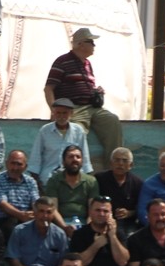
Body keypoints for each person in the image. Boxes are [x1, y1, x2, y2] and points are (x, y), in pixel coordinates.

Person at [44, 28, 122, 165]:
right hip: (74, 108)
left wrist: (96, 91)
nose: (94, 45)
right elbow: (49, 88)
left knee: (112, 121)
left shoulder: (87, 64)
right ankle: (72, 169)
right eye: (91, 42)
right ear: (80, 44)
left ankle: (112, 167)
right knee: (75, 132)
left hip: (92, 107)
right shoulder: (62, 62)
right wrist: (54, 110)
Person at [3, 197, 67, 266]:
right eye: (41, 211)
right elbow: (13, 257)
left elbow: (64, 260)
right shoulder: (20, 230)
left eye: (49, 212)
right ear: (35, 212)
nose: (45, 216)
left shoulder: (60, 234)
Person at [68, 195, 126, 266]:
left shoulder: (118, 233)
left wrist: (112, 236)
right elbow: (79, 263)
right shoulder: (79, 234)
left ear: (111, 214)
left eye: (105, 211)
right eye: (98, 210)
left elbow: (123, 261)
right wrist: (96, 245)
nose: (101, 214)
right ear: (90, 212)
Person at [28, 100, 91, 181]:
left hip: (73, 178)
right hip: (48, 177)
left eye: (65, 113)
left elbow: (85, 158)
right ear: (53, 113)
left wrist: (85, 178)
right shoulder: (45, 131)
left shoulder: (78, 131)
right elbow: (35, 158)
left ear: (71, 114)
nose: (61, 116)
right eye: (58, 113)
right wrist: (37, 182)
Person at [94, 148, 142, 240]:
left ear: (130, 165)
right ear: (111, 163)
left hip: (127, 222)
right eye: (117, 160)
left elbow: (141, 208)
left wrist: (129, 213)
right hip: (102, 219)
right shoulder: (99, 179)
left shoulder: (137, 183)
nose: (120, 163)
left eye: (124, 160)